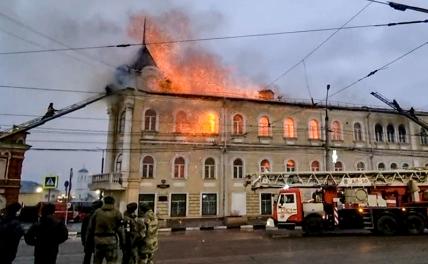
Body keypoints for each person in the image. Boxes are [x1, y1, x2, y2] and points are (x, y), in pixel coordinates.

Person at [86, 196, 124, 264]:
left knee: (97, 261)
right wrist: (122, 241)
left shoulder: (97, 212)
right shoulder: (117, 213)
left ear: (104, 202)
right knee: (111, 261)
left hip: (98, 240)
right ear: (113, 202)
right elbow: (120, 229)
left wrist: (88, 241)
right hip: (111, 240)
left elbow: (90, 228)